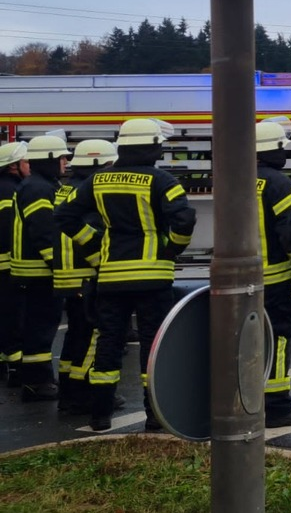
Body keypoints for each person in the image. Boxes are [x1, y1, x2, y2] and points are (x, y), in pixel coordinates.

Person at [56, 118, 196, 432]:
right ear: (150, 147)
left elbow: (65, 215)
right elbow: (184, 221)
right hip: (152, 276)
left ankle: (100, 415)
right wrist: (171, 249)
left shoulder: (97, 180)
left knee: (108, 344)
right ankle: (155, 418)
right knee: (152, 347)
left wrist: (93, 243)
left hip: (111, 276)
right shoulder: (163, 182)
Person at [53, 139, 117, 414]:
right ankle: (82, 394)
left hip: (68, 277)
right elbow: (90, 237)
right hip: (86, 276)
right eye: (109, 165)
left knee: (76, 337)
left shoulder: (67, 190)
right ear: (97, 165)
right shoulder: (90, 194)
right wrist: (100, 260)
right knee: (91, 338)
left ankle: (68, 390)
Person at [11, 134, 70, 402]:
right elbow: (44, 232)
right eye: (61, 158)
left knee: (40, 326)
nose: (65, 162)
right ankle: (37, 382)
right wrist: (59, 266)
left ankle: (38, 380)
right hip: (40, 272)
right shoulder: (37, 188)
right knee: (41, 328)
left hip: (35, 272)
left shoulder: (37, 184)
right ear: (48, 160)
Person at [256, 120, 291, 428]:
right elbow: (288, 233)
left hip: (243, 279)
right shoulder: (277, 183)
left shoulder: (235, 177)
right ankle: (277, 405)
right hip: (275, 279)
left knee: (249, 342)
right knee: (278, 340)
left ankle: (250, 397)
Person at [0, 141, 29, 388]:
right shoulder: (11, 192)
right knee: (13, 317)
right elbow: (10, 232)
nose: (29, 166)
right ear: (13, 166)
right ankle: (16, 367)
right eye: (26, 161)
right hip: (7, 266)